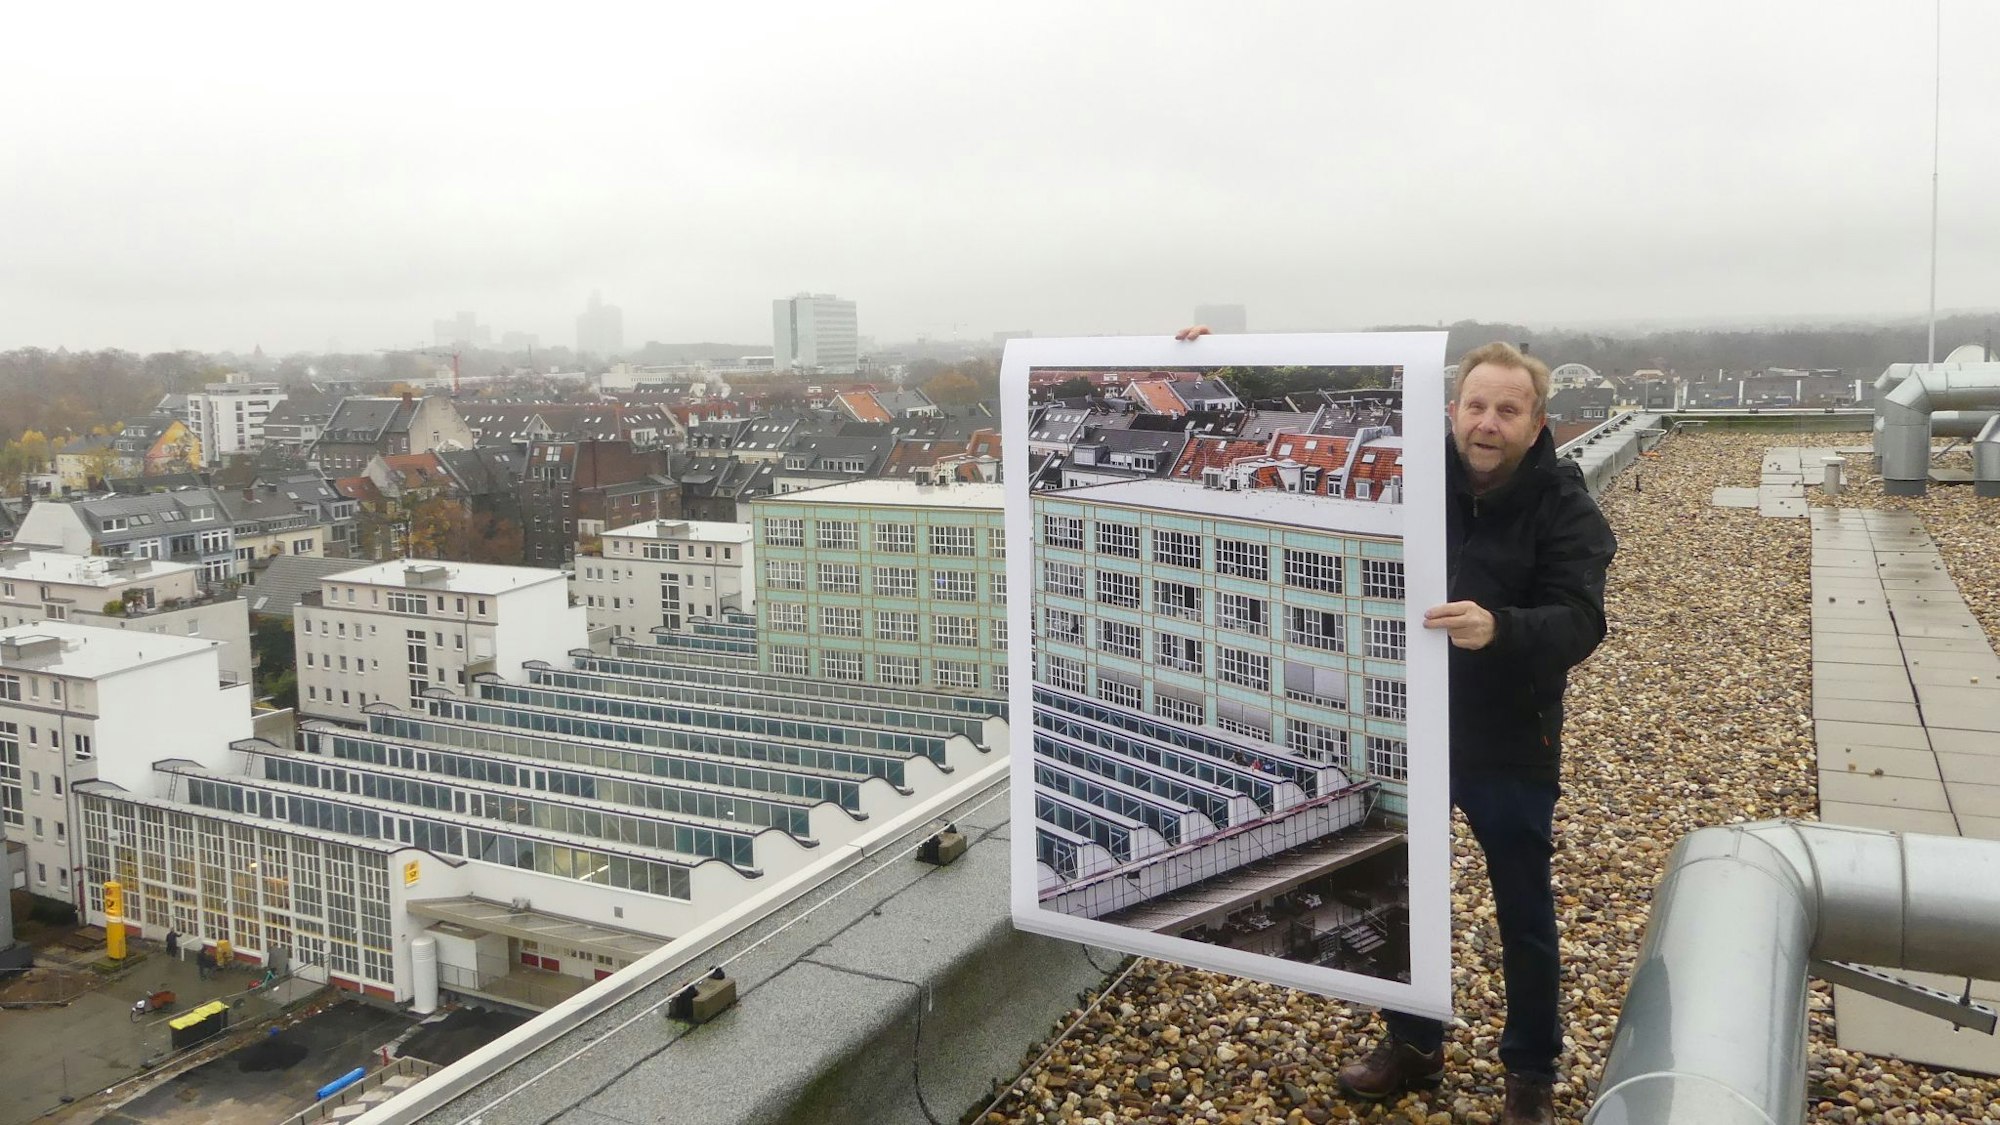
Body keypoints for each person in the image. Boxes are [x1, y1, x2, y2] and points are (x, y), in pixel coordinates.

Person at [1176, 330, 1617, 1125]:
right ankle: (1413, 1040)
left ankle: (1530, 1070)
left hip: (1510, 737)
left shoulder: (1566, 507)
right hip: (1410, 728)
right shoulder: (1412, 481)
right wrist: (1201, 360)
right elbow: (1262, 459)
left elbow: (1582, 620)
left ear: (1537, 421)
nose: (1487, 423)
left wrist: (1501, 627)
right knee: (1406, 889)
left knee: (1523, 908)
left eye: (1507, 410)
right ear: (1452, 410)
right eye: (1475, 406)